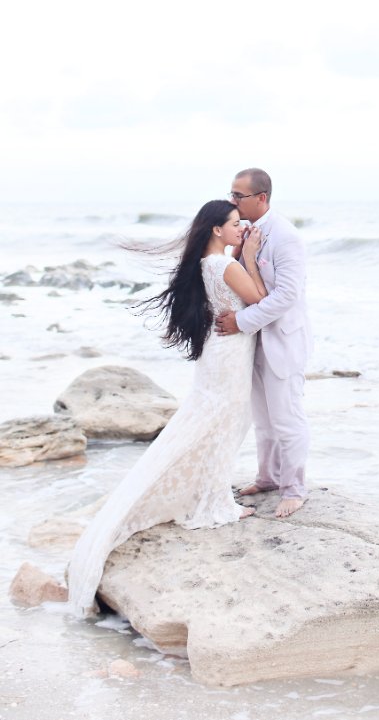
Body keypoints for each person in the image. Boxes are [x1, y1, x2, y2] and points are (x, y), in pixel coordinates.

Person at [67, 200, 266, 617]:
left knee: (211, 422)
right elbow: (261, 300)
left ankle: (209, 493)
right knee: (221, 424)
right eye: (235, 224)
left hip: (218, 352)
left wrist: (239, 255)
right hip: (230, 355)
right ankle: (212, 501)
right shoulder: (227, 265)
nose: (241, 228)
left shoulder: (206, 264)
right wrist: (248, 256)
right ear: (217, 230)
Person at [215, 168, 311, 519]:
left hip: (281, 340)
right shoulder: (243, 233)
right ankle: (268, 477)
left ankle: (294, 489)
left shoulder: (285, 237)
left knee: (286, 417)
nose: (232, 200)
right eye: (231, 193)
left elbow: (286, 295)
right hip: (251, 343)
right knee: (263, 417)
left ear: (261, 198)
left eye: (238, 195)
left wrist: (240, 322)